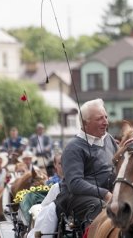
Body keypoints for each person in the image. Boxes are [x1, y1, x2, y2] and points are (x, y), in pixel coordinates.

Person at [54, 98, 118, 228]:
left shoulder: (109, 139)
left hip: (107, 194)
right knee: (100, 206)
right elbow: (75, 184)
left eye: (106, 117)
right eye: (100, 118)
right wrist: (105, 194)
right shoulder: (73, 147)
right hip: (75, 197)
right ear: (85, 123)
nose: (105, 122)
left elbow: (120, 167)